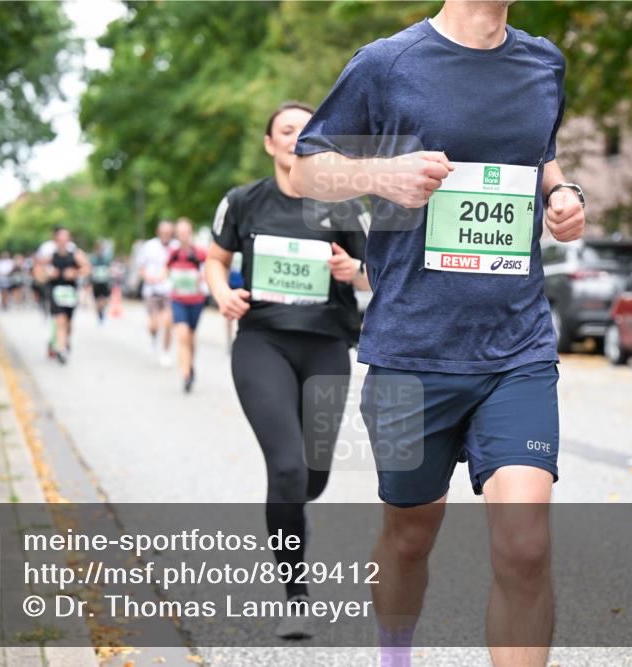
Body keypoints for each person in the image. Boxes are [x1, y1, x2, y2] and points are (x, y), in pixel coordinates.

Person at [290, 2, 585, 664]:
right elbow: (307, 168)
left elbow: (542, 158)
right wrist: (380, 174)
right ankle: (396, 651)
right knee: (409, 535)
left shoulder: (543, 63)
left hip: (517, 347)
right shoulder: (387, 63)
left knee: (526, 545)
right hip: (410, 349)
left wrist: (564, 196)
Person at [205, 101, 370, 639]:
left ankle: (291, 510)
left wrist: (353, 269)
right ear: (270, 143)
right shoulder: (244, 201)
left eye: (308, 130)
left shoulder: (343, 206)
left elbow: (378, 274)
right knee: (288, 470)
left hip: (326, 347)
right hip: (263, 344)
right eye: (287, 129)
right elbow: (215, 260)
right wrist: (222, 294)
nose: (297, 137)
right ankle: (296, 595)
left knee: (312, 477)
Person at [166, 218, 207, 392]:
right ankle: (185, 374)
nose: (183, 236)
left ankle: (190, 364)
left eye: (186, 232)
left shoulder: (200, 253)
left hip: (196, 300)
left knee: (190, 336)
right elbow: (166, 269)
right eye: (180, 233)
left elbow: (209, 269)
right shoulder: (174, 253)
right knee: (182, 334)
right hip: (178, 299)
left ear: (191, 233)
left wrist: (202, 278)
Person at [44, 228, 89, 364]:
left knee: (68, 323)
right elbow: (38, 269)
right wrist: (48, 273)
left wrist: (75, 273)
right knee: (60, 320)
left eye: (65, 238)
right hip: (56, 292)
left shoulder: (75, 254)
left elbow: (87, 268)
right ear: (56, 240)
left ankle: (65, 341)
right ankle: (62, 349)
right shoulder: (51, 255)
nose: (63, 241)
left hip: (70, 293)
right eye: (60, 239)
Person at [138, 221, 178, 366]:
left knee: (168, 322)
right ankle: (153, 338)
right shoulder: (149, 246)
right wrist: (148, 277)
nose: (166, 236)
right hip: (152, 291)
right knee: (154, 325)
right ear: (158, 232)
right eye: (163, 233)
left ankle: (165, 352)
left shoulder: (176, 247)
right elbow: (141, 267)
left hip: (169, 291)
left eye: (169, 233)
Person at [89, 240, 113, 323]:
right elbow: (89, 270)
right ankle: (99, 313)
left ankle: (101, 311)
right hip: (96, 283)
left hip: (104, 283)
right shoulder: (93, 259)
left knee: (104, 300)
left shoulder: (106, 259)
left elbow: (110, 269)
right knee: (97, 301)